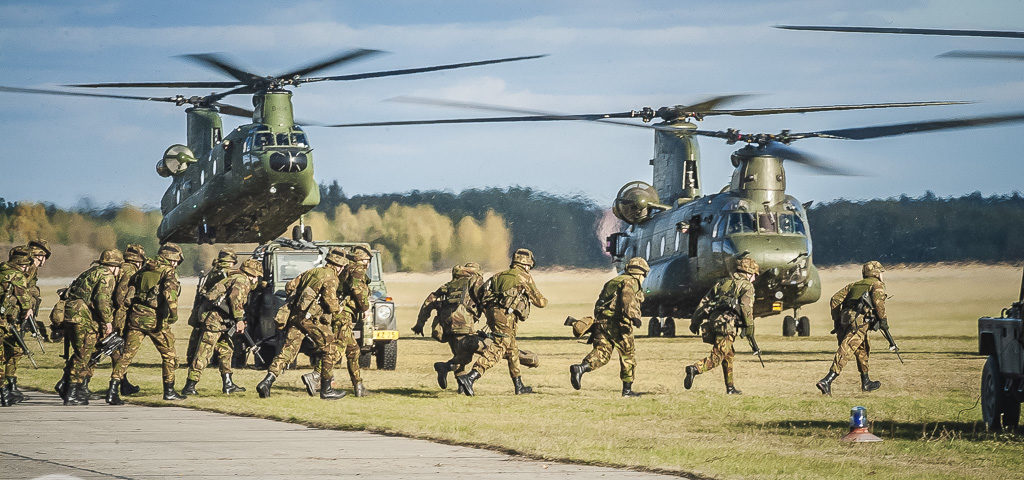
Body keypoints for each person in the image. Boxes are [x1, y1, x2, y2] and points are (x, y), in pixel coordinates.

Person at [256, 247, 347, 400]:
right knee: (330, 348)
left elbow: (290, 286)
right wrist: (339, 308)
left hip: (296, 317)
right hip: (311, 320)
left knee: (287, 351)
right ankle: (326, 388)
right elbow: (331, 304)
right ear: (339, 266)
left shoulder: (312, 272)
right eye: (343, 266)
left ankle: (267, 382)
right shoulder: (331, 277)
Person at [456, 248, 547, 396]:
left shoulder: (498, 276)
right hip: (505, 317)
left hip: (493, 315)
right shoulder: (524, 277)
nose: (529, 268)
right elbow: (540, 302)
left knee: (512, 350)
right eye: (529, 266)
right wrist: (545, 300)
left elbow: (483, 294)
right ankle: (471, 377)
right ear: (525, 264)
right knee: (499, 348)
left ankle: (519, 385)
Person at [109, 243, 186, 402]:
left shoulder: (144, 269)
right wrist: (173, 315)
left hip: (136, 316)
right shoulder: (167, 271)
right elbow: (170, 294)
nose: (176, 264)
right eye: (177, 261)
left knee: (126, 355)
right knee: (169, 355)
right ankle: (169, 391)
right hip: (154, 319)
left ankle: (113, 390)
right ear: (172, 259)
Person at [178, 259, 262, 399]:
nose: (257, 279)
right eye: (257, 275)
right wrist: (240, 320)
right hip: (215, 321)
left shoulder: (235, 277)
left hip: (222, 322)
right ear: (252, 273)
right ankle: (190, 386)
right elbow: (236, 300)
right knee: (204, 352)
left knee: (226, 350)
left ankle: (228, 384)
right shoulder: (242, 280)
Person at [569, 257, 648, 397]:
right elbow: (627, 298)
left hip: (601, 322)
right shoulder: (631, 281)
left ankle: (581, 368)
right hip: (619, 324)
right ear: (641, 273)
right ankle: (627, 391)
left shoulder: (613, 281)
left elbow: (600, 302)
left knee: (602, 353)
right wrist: (634, 316)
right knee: (628, 356)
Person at [684, 257, 759, 395]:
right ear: (748, 272)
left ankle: (730, 388)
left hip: (714, 322)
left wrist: (695, 321)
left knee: (728, 354)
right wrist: (749, 329)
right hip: (727, 325)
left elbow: (705, 302)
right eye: (754, 275)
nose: (754, 278)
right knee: (717, 357)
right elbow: (746, 309)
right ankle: (694, 369)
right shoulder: (747, 286)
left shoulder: (723, 282)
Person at [816, 261, 888, 395]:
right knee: (847, 348)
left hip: (847, 319)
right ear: (876, 274)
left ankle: (866, 382)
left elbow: (835, 299)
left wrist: (837, 320)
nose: (882, 276)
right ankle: (827, 380)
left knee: (862, 348)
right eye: (881, 273)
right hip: (859, 321)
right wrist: (883, 320)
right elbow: (879, 303)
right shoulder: (877, 285)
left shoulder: (854, 285)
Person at [61, 249, 122, 405]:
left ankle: (66, 386)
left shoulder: (92, 272)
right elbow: (102, 301)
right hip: (82, 317)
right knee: (83, 353)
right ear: (114, 266)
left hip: (72, 314)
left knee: (82, 352)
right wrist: (108, 322)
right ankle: (72, 393)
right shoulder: (106, 276)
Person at [413, 264, 482, 391]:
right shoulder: (472, 282)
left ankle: (462, 387)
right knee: (466, 354)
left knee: (458, 353)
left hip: (446, 324)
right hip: (463, 322)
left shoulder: (448, 285)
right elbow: (484, 299)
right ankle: (444, 367)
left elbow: (429, 300)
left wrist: (420, 323)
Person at [104, 243, 146, 397]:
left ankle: (123, 383)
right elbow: (121, 297)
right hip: (120, 316)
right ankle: (76, 382)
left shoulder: (121, 267)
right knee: (115, 350)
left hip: (113, 313)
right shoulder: (130, 271)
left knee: (116, 350)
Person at [186, 249, 237, 366]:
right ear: (231, 261)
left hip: (204, 308)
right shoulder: (226, 273)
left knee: (198, 334)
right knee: (213, 337)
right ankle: (210, 361)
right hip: (216, 310)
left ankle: (191, 359)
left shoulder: (214, 271)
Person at [0, 247, 34, 407]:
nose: (26, 269)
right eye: (25, 265)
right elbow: (24, 300)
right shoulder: (17, 276)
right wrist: (27, 311)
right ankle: (4, 393)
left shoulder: (2, 270)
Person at [26, 239, 51, 341]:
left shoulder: (29, 266)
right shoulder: (29, 267)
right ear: (41, 256)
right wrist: (27, 307)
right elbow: (21, 288)